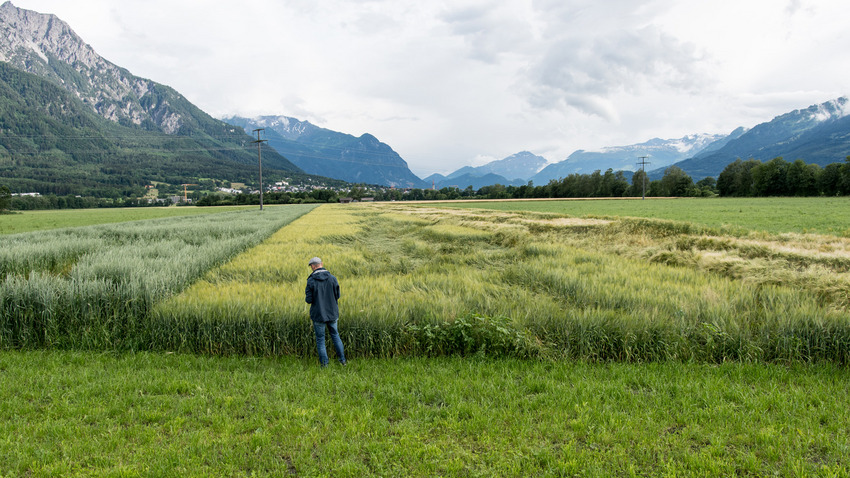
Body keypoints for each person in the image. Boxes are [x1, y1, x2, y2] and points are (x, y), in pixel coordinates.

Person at [305, 256, 347, 367]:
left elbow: (308, 300)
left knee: (320, 339)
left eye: (311, 267)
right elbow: (337, 295)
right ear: (321, 264)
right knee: (335, 335)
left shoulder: (311, 280)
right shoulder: (333, 278)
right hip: (332, 313)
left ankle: (325, 365)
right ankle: (342, 361)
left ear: (313, 266)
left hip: (318, 315)